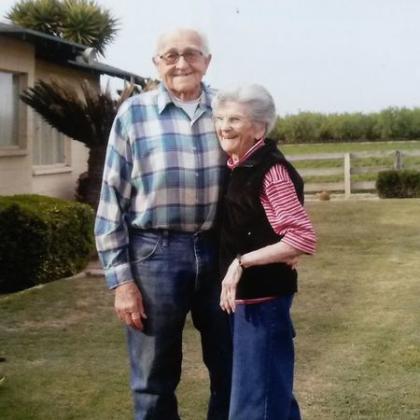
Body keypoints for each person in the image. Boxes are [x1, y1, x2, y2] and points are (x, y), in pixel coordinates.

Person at [94, 28, 231, 420]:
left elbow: (258, 178)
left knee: (232, 366)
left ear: (208, 61)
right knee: (153, 379)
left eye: (191, 54)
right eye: (170, 56)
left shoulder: (227, 109)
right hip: (154, 255)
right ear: (156, 64)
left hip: (219, 252)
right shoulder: (133, 114)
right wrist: (121, 282)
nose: (181, 63)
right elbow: (110, 202)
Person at [212, 84, 316, 420]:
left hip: (264, 302)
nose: (224, 126)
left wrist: (241, 262)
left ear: (259, 127)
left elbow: (300, 237)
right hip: (246, 303)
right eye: (220, 118)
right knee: (273, 396)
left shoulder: (270, 171)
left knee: (258, 402)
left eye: (235, 119)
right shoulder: (237, 164)